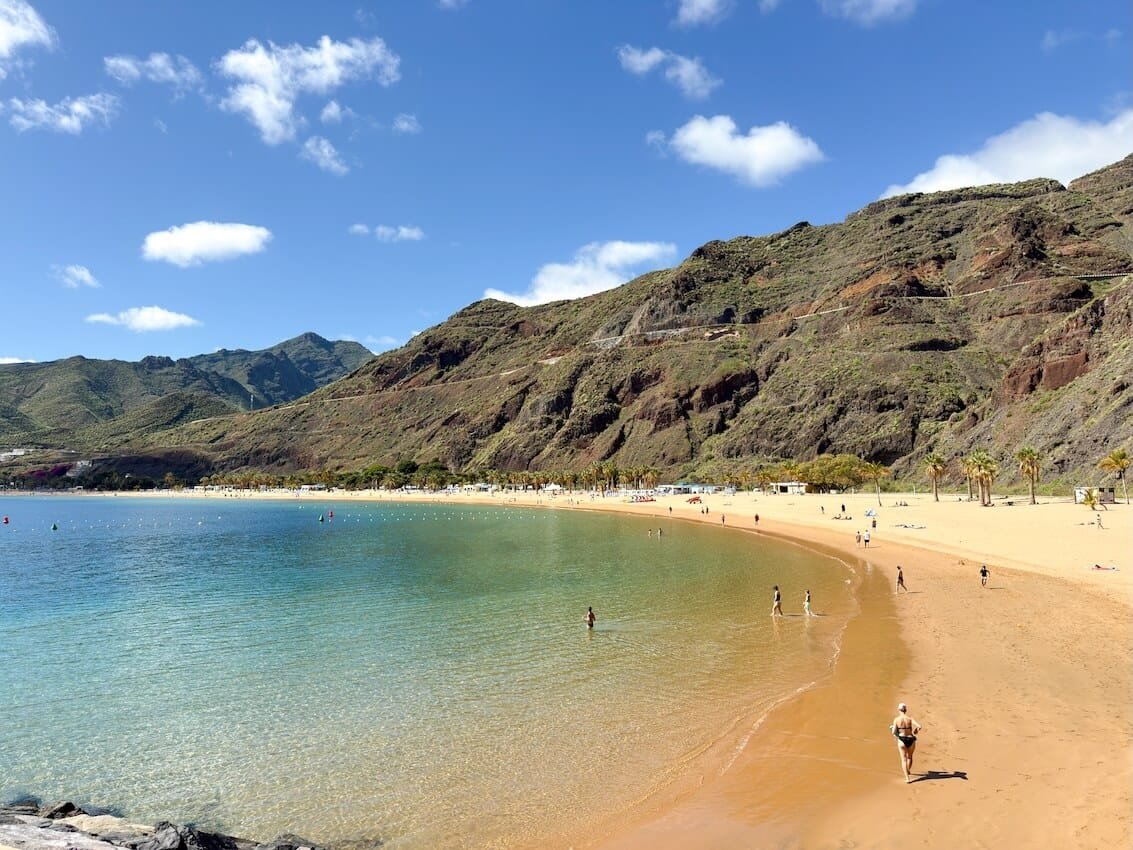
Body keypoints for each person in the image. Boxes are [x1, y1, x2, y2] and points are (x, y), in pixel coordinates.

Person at [890, 702, 922, 782]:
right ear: (906, 710)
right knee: (910, 757)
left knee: (903, 759)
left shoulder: (896, 719)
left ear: (899, 710)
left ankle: (907, 778)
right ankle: (908, 770)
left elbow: (893, 732)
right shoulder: (910, 718)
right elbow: (919, 726)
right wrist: (916, 731)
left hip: (902, 740)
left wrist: (895, 734)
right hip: (911, 739)